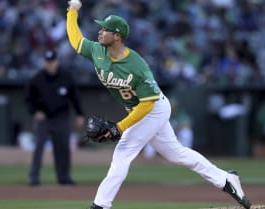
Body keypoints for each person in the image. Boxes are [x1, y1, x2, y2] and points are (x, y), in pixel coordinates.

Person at [66, 1, 251, 208]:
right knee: (176, 154)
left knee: (123, 152)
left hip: (154, 108)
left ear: (117, 36)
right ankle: (226, 179)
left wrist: (120, 127)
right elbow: (76, 41)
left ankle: (100, 205)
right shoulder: (97, 51)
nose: (100, 32)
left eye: (105, 30)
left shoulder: (137, 66)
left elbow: (147, 105)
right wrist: (72, 12)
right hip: (139, 110)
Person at [25, 49, 85, 186]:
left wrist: (79, 114)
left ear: (56, 62)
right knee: (38, 146)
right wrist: (35, 111)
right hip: (43, 118)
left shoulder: (66, 77)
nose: (50, 65)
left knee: (63, 148)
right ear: (44, 63)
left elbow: (75, 97)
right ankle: (34, 177)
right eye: (47, 62)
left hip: (61, 117)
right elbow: (28, 99)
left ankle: (64, 177)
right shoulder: (36, 79)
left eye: (52, 62)